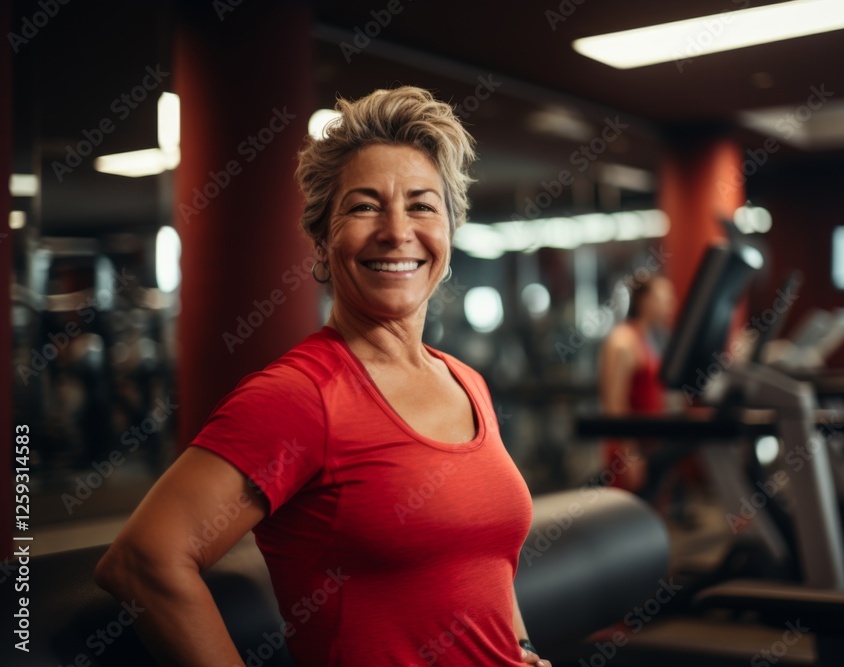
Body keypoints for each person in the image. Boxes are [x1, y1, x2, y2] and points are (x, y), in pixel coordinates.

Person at [95, 86, 549, 667]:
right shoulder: (299, 396)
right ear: (321, 235)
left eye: (421, 204)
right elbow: (142, 562)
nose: (396, 230)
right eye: (363, 206)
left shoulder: (465, 382)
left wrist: (524, 647)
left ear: (449, 231)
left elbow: (483, 562)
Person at [597, 273, 675, 497]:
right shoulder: (623, 341)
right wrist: (629, 456)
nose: (671, 304)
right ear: (644, 301)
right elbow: (614, 405)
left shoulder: (647, 337)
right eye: (665, 298)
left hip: (649, 446)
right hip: (630, 449)